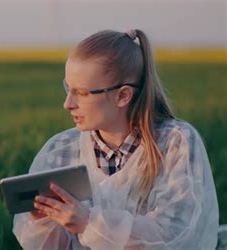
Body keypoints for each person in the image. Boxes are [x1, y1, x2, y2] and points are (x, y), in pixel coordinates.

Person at [13, 29, 219, 249]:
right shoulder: (60, 150)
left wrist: (88, 223)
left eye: (82, 93)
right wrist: (44, 220)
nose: (68, 103)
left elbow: (176, 235)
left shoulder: (175, 143)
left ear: (122, 95)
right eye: (68, 88)